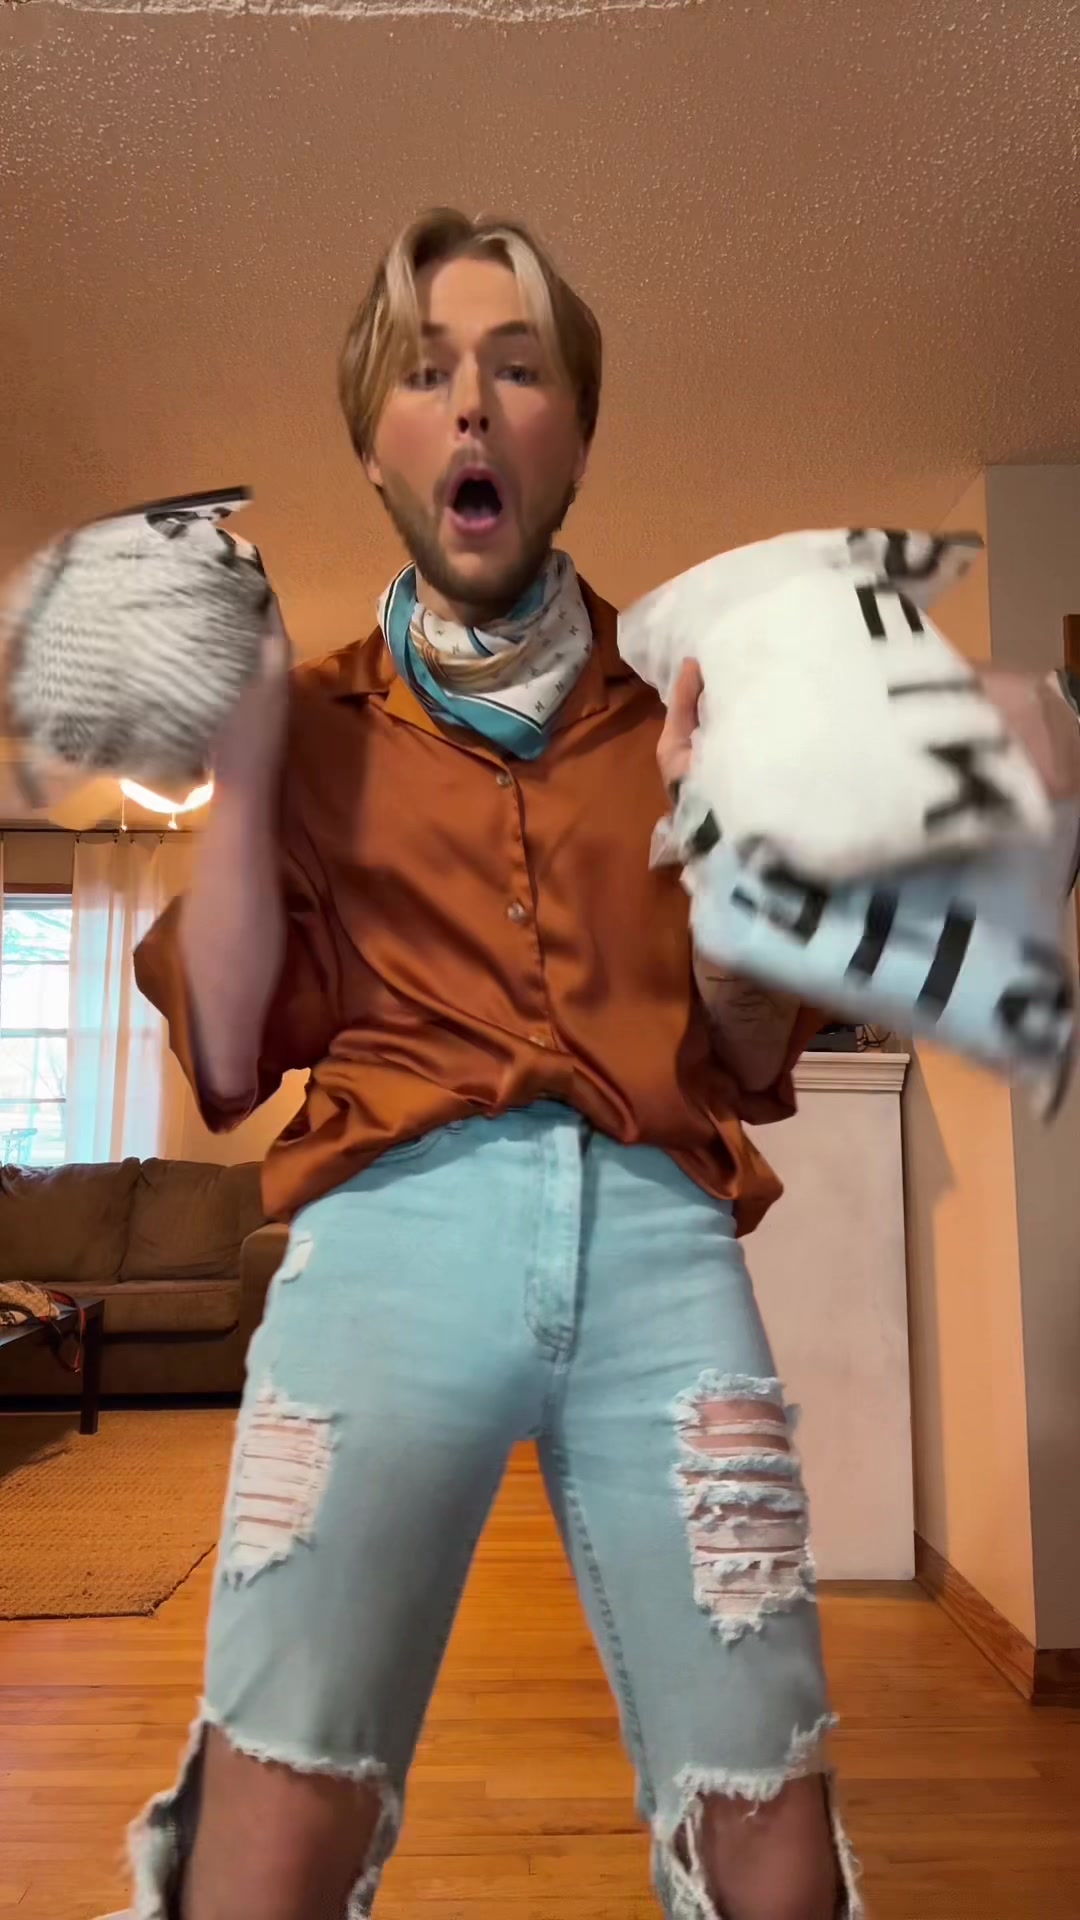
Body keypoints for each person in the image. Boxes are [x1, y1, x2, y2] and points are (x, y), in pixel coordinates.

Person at [117, 209, 1075, 1920]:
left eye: (519, 368)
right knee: (263, 1850)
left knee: (772, 1844)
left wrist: (742, 905)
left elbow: (745, 1051)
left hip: (659, 1250)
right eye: (425, 373)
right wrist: (246, 763)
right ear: (376, 446)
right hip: (385, 1245)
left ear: (572, 434)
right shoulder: (310, 726)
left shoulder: (697, 710)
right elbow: (221, 1052)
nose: (472, 403)